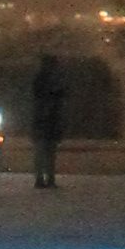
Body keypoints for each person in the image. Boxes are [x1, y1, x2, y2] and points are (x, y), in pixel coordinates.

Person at [26, 50, 69, 190]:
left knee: (42, 151)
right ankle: (48, 178)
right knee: (49, 152)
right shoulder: (54, 81)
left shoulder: (40, 80)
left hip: (43, 119)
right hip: (49, 120)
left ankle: (41, 178)